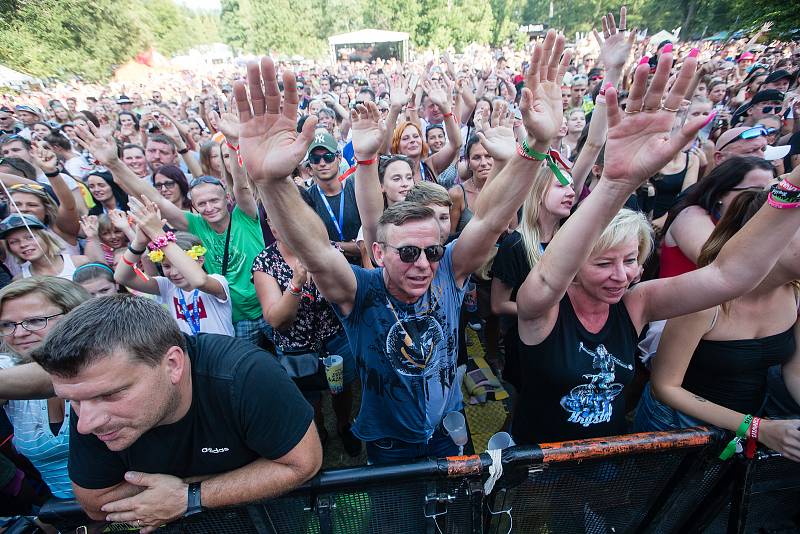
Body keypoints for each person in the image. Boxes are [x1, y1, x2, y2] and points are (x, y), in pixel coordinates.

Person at [235, 32, 571, 463]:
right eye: (408, 253)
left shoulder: (449, 269)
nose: (424, 263)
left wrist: (536, 147)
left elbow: (487, 219)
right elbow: (316, 251)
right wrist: (271, 182)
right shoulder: (362, 291)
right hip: (389, 441)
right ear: (379, 254)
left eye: (432, 251)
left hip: (448, 427)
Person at [512, 44, 800, 446]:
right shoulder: (541, 310)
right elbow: (545, 279)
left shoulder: (636, 302)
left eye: (631, 260)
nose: (622, 275)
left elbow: (729, 275)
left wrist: (793, 186)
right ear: (574, 264)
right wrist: (615, 184)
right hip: (537, 463)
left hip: (607, 456)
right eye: (603, 264)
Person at [3, 295, 321, 530]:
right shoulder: (91, 401)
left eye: (111, 394)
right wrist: (237, 475)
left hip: (269, 519)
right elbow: (95, 503)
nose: (86, 424)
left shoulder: (245, 375)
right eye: (74, 401)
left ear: (172, 364)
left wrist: (188, 495)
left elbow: (302, 463)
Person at [635, 190, 800, 462]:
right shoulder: (706, 301)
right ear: (772, 237)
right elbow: (665, 386)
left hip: (742, 426)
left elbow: (794, 370)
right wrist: (757, 427)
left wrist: (754, 427)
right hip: (676, 426)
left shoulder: (794, 295)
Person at [75, 125, 267, 345]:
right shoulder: (194, 224)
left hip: (268, 303)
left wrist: (234, 144)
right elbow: (156, 199)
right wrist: (114, 163)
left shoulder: (244, 214)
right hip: (236, 316)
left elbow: (242, 186)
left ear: (226, 199)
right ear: (193, 206)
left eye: (214, 200)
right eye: (201, 203)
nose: (209, 207)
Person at [252, 219, 361, 456]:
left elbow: (351, 294)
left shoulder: (328, 250)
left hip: (335, 341)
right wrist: (296, 283)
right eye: (271, 218)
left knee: (341, 390)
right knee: (309, 398)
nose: (277, 223)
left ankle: (344, 426)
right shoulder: (265, 262)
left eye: (282, 214)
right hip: (296, 349)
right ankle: (318, 432)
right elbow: (277, 321)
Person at [0, 276, 90, 499]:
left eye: (35, 321)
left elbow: (55, 375)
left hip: (142, 509)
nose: (19, 333)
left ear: (74, 315)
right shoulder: (8, 368)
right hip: (67, 516)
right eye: (7, 325)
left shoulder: (107, 358)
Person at [115, 198, 233, 337]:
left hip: (221, 354)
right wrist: (139, 243)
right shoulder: (167, 286)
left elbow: (199, 281)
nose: (174, 273)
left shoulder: (217, 281)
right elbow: (121, 277)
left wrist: (159, 234)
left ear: (200, 260)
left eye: (179, 265)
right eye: (166, 266)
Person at [659, 156, 774, 278]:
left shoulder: (746, 226)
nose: (764, 199)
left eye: (771, 192)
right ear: (721, 192)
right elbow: (715, 264)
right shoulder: (692, 216)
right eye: (757, 191)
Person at [1, 214, 89, 279]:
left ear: (45, 237)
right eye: (14, 242)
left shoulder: (80, 263)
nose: (23, 244)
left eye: (30, 237)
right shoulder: (20, 281)